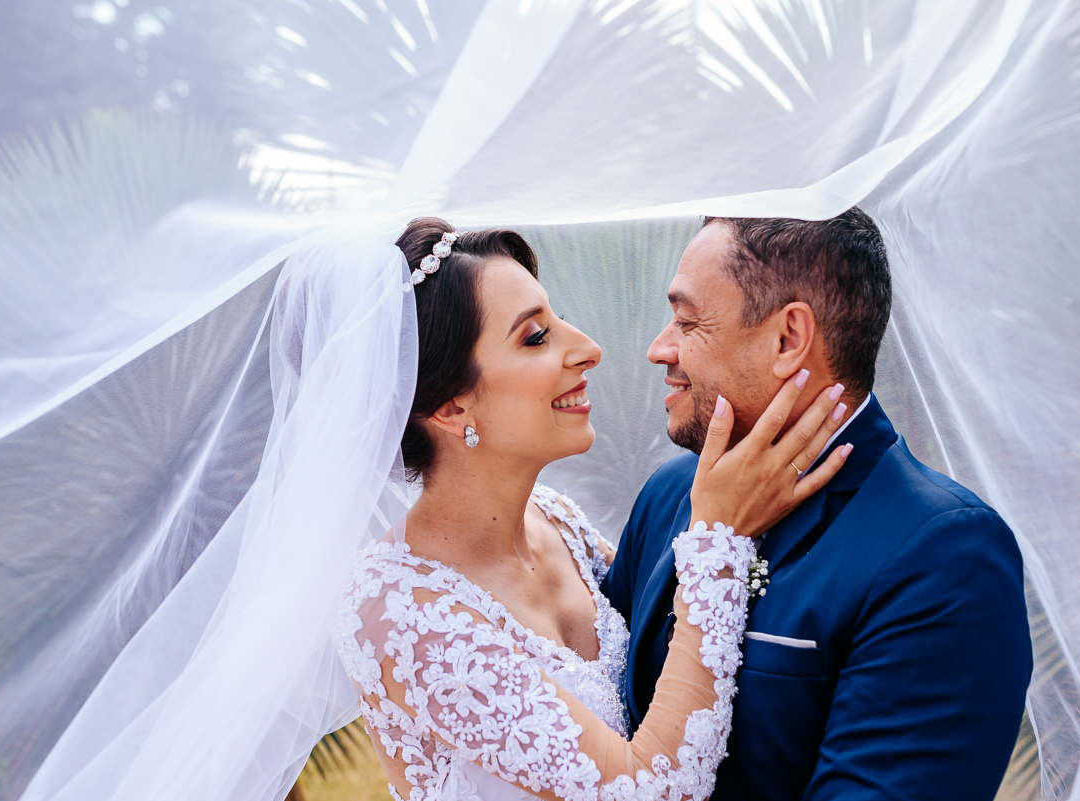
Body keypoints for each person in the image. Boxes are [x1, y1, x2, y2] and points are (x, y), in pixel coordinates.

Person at [333, 217, 852, 801]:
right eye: (536, 337)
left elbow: (662, 662)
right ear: (452, 409)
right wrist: (719, 538)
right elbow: (648, 789)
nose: (588, 348)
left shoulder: (558, 523)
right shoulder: (397, 608)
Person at [602, 211, 1034, 801]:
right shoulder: (671, 494)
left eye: (687, 321)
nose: (659, 349)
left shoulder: (946, 555)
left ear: (787, 339)